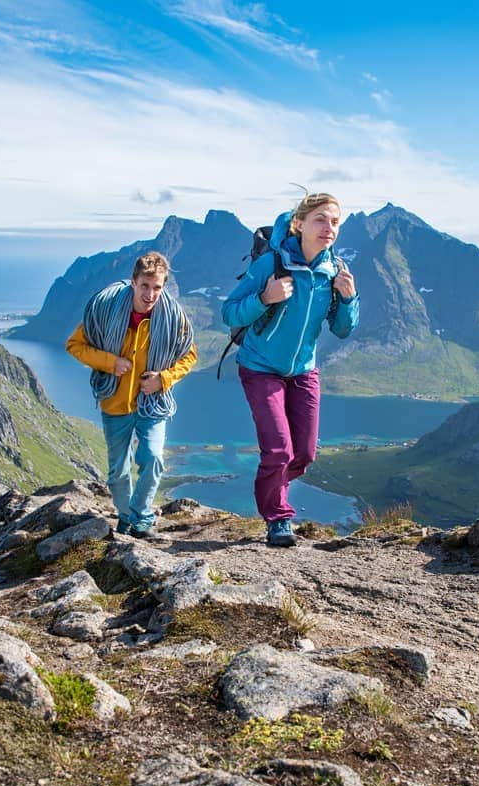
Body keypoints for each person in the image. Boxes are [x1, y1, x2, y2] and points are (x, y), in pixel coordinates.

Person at [221, 192, 359, 547]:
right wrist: (264, 298)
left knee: (304, 454)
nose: (329, 228)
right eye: (320, 220)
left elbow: (342, 329)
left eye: (335, 222)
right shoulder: (272, 264)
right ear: (299, 224)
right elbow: (230, 312)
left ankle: (275, 490)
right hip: (260, 368)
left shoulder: (334, 271)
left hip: (303, 371)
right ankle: (278, 518)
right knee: (279, 450)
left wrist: (348, 299)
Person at [66, 251, 197, 540]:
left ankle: (141, 518)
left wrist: (163, 379)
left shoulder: (173, 318)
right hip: (115, 401)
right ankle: (126, 517)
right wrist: (110, 362)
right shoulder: (107, 310)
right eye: (145, 286)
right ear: (133, 282)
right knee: (117, 473)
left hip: (153, 403)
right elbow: (75, 345)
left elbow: (189, 355)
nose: (151, 294)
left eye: (157, 288)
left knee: (152, 459)